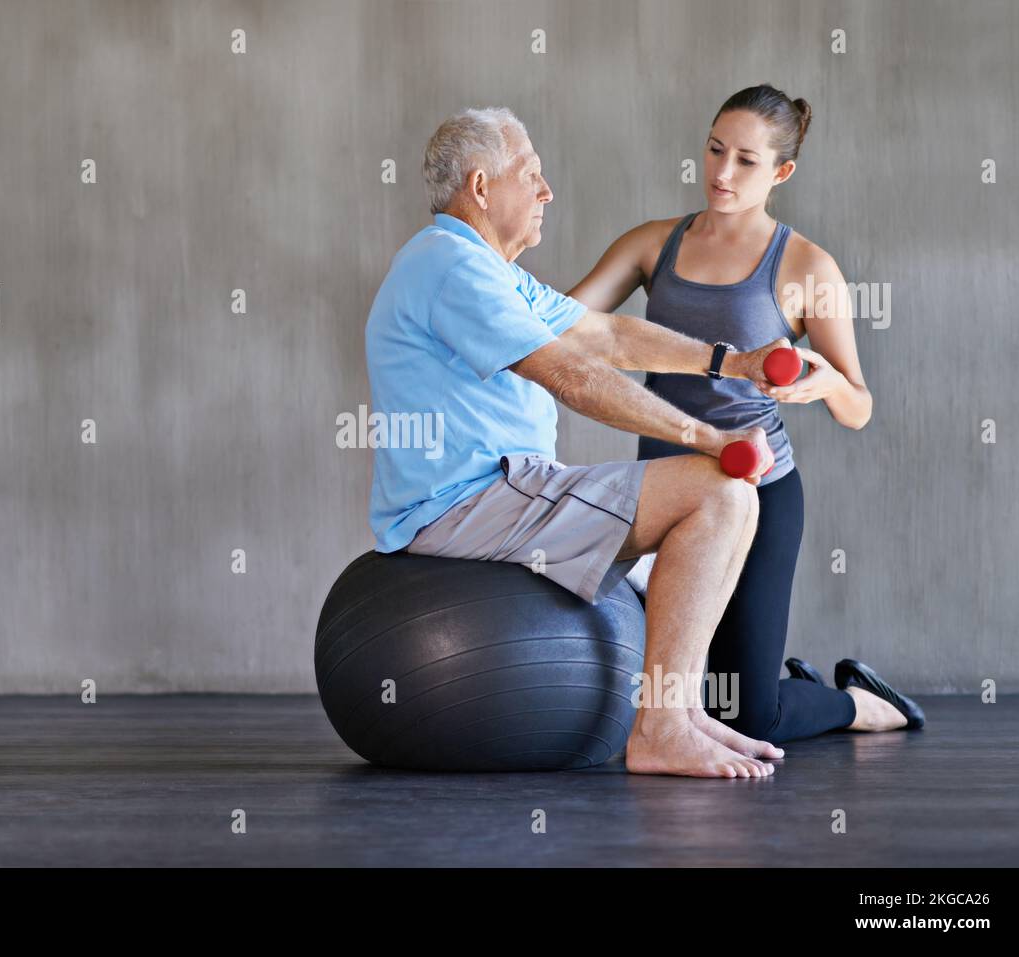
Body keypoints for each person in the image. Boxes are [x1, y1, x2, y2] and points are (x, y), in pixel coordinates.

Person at [366, 107, 792, 778]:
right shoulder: (449, 265)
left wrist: (728, 361)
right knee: (718, 493)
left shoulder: (491, 270)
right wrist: (707, 436)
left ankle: (680, 715)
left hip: (506, 491)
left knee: (718, 511)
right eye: (531, 175)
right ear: (481, 187)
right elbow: (567, 372)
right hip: (467, 503)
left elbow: (607, 337)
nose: (546, 192)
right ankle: (660, 728)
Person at [567, 84, 924, 742]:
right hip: (660, 490)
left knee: (747, 713)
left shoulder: (808, 266)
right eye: (714, 150)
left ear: (782, 172)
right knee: (659, 692)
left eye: (746, 161)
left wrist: (823, 385)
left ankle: (858, 703)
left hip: (757, 492)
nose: (722, 173)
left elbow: (859, 406)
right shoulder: (654, 244)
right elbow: (565, 322)